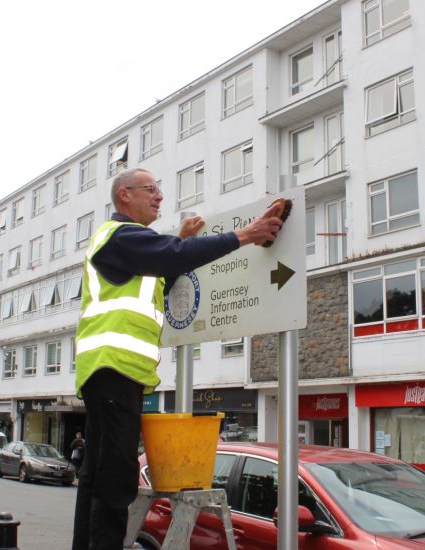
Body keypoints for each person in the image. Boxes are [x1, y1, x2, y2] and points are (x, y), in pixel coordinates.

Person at [71, 167, 283, 550]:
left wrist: (180, 241)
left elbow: (166, 268)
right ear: (124, 196)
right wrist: (246, 234)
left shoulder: (129, 248)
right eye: (150, 189)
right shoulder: (121, 236)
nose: (159, 197)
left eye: (159, 189)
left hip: (109, 371)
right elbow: (172, 255)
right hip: (113, 368)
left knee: (97, 477)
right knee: (116, 480)